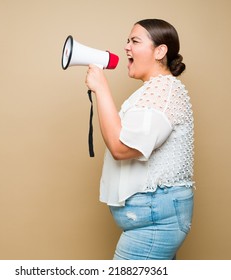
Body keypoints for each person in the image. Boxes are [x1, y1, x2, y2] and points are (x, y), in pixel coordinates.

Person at [85, 19, 194, 260]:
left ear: (160, 51)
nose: (126, 47)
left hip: (155, 225)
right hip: (152, 221)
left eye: (135, 41)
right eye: (127, 40)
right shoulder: (151, 90)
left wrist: (101, 89)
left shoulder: (163, 91)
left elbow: (121, 148)